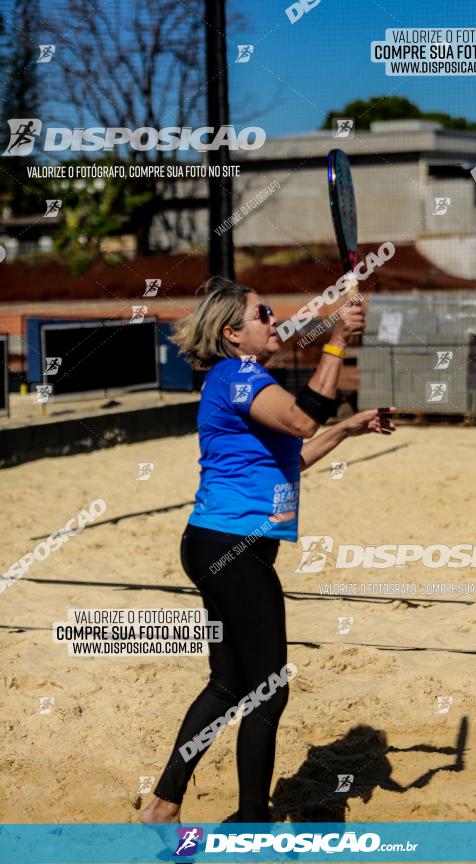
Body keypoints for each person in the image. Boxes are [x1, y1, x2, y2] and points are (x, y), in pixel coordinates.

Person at [140, 276, 395, 825]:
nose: (274, 321)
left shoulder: (244, 379)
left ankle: (163, 803)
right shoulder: (236, 377)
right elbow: (304, 417)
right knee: (269, 690)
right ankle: (253, 821)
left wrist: (346, 429)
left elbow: (293, 454)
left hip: (219, 544)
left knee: (231, 683)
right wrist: (336, 340)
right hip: (229, 547)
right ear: (233, 334)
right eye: (263, 315)